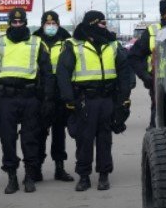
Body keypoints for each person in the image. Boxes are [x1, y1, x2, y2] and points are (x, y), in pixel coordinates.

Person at [56, 10, 132, 191]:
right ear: (91, 24)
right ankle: (84, 176)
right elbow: (63, 73)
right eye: (101, 23)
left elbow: (124, 72)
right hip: (85, 99)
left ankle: (104, 175)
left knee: (105, 138)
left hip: (107, 98)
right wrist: (69, 99)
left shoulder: (112, 44)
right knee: (84, 139)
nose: (105, 26)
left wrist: (124, 98)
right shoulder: (73, 45)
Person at [0, 7, 55, 194]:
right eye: (13, 22)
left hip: (30, 97)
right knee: (7, 139)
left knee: (30, 139)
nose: (17, 24)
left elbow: (47, 73)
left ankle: (29, 176)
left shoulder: (36, 43)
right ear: (9, 23)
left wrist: (48, 98)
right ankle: (12, 177)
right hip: (6, 98)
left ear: (25, 22)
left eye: (20, 21)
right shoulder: (0, 43)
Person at [32, 11, 74, 182]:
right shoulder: (34, 40)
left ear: (58, 24)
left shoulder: (66, 40)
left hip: (60, 90)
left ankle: (59, 167)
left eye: (53, 23)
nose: (50, 26)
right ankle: (37, 167)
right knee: (39, 131)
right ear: (42, 24)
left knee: (59, 131)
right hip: (40, 91)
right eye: (47, 24)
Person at [128, 0, 166, 129]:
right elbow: (134, 56)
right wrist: (146, 77)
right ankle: (155, 138)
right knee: (159, 119)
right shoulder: (152, 32)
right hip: (159, 84)